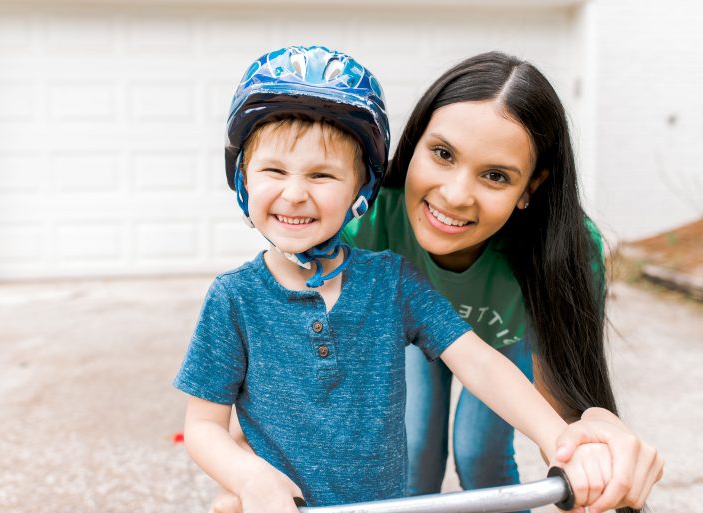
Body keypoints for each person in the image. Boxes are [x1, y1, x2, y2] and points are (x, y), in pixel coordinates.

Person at [174, 46, 612, 513]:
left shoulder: (392, 280)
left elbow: (480, 364)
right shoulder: (232, 298)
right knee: (420, 450)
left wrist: (565, 441)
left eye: (322, 174)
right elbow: (204, 424)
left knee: (478, 453)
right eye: (274, 170)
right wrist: (246, 475)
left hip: (387, 503)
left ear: (362, 187)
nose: (296, 193)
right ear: (242, 178)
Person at [339, 51, 663, 513]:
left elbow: (566, 400)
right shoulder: (369, 219)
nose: (455, 195)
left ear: (530, 187)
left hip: (505, 343)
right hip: (413, 338)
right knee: (413, 453)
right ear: (413, 144)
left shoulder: (566, 249)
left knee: (480, 453)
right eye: (443, 153)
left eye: (495, 175)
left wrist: (592, 435)